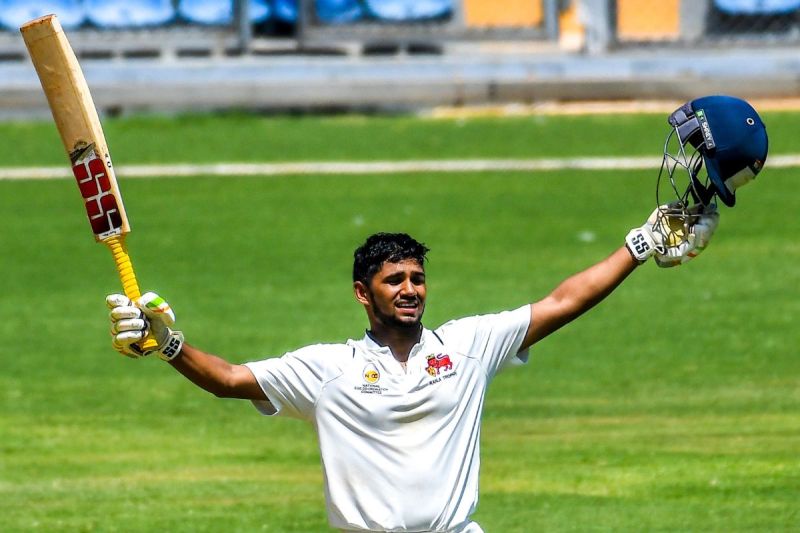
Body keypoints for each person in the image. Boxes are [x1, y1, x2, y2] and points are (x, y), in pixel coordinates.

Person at [106, 95, 766, 533]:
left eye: (417, 278)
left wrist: (640, 244)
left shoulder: (468, 345)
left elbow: (564, 300)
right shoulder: (328, 370)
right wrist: (167, 342)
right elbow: (227, 379)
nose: (410, 290)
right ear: (363, 293)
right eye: (394, 280)